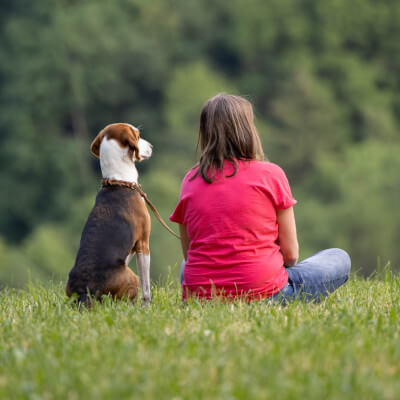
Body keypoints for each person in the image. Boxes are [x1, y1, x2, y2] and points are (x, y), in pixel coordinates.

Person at [169, 93, 350, 302]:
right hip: (264, 292)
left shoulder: (190, 180)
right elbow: (291, 255)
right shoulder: (271, 174)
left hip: (201, 296)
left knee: (187, 265)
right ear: (247, 130)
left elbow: (188, 253)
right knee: (339, 257)